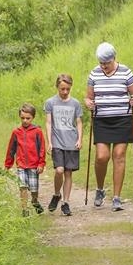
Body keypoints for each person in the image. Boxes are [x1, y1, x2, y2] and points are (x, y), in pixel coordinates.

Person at [84, 42, 133, 211]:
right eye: (101, 63)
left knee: (119, 155)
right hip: (102, 120)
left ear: (113, 59)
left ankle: (116, 197)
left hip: (122, 119)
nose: (104, 66)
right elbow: (88, 97)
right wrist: (88, 103)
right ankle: (100, 189)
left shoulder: (126, 72)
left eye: (106, 63)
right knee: (102, 156)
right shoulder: (94, 74)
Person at [44, 74, 84, 217]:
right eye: (62, 89)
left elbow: (79, 122)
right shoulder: (50, 103)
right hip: (57, 142)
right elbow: (48, 123)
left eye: (67, 89)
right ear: (57, 87)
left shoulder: (75, 103)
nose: (65, 92)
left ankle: (65, 202)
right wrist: (49, 142)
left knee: (68, 173)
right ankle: (56, 194)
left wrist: (80, 139)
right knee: (59, 170)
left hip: (71, 142)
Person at [4, 102, 47, 216]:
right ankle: (25, 210)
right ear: (20, 117)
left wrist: (41, 163)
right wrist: (8, 165)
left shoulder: (37, 131)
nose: (25, 120)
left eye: (28, 118)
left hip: (34, 166)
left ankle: (34, 201)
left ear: (33, 117)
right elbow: (11, 149)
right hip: (21, 166)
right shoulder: (16, 132)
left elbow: (42, 148)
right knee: (22, 187)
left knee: (33, 189)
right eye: (22, 118)